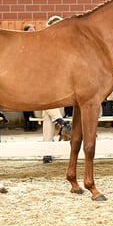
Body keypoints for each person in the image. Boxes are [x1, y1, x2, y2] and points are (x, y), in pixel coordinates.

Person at [40, 16, 71, 163]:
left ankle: (47, 150)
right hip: (40, 95)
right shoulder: (42, 47)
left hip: (60, 94)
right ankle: (61, 121)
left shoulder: (66, 48)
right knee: (48, 107)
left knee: (49, 112)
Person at [22, 23, 38, 132]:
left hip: (35, 73)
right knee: (24, 99)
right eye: (30, 30)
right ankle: (27, 122)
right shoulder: (23, 43)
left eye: (33, 30)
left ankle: (34, 122)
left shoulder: (38, 42)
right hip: (25, 73)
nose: (32, 32)